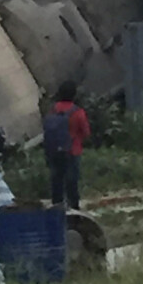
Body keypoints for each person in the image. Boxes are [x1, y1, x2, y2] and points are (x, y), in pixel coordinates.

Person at [43, 81, 91, 210]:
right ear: (74, 95)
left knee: (56, 179)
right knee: (71, 181)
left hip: (53, 150)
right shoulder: (77, 112)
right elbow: (86, 132)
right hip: (72, 150)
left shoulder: (52, 109)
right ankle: (74, 208)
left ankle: (56, 206)